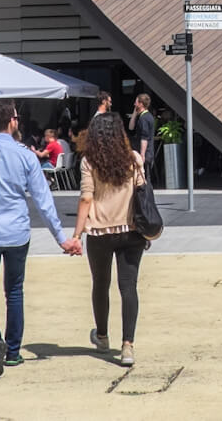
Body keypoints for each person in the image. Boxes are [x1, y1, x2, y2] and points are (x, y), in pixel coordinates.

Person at [0, 101, 79, 378]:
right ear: (11, 121)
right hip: (18, 232)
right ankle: (13, 352)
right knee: (15, 291)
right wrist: (61, 238)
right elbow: (43, 201)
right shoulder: (26, 156)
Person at [73, 113, 149, 367]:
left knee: (100, 284)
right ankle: (128, 346)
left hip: (100, 232)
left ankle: (103, 336)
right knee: (128, 287)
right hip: (131, 230)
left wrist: (76, 234)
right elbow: (142, 192)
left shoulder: (89, 162)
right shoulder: (134, 159)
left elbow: (86, 198)